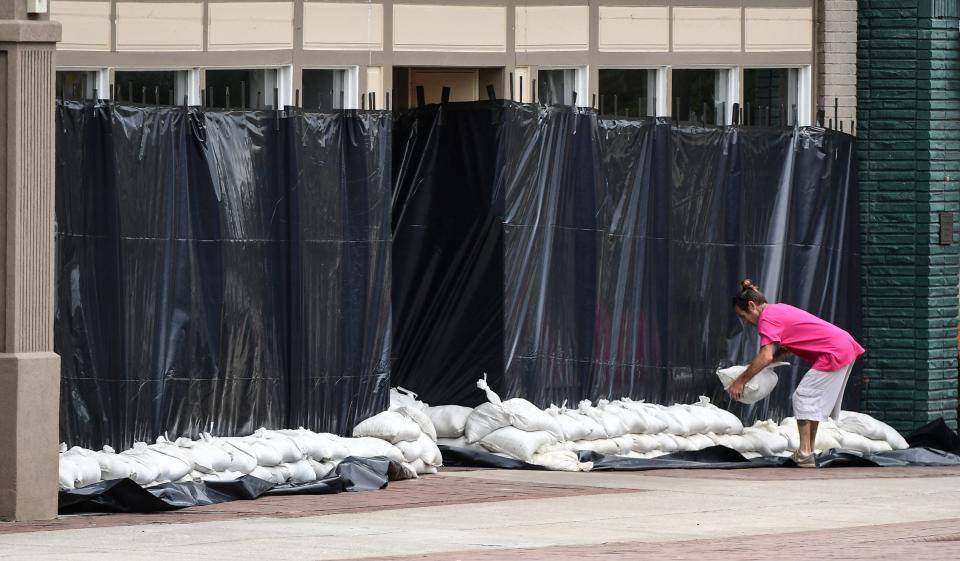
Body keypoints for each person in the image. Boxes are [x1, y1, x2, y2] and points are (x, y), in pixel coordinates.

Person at [728, 279, 864, 467]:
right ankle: (808, 452)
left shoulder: (766, 319)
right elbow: (788, 348)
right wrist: (767, 364)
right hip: (843, 345)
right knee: (812, 401)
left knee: (802, 397)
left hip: (834, 351)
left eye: (743, 316)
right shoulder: (778, 309)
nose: (745, 321)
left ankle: (805, 452)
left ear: (752, 306)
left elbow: (765, 355)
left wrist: (740, 381)